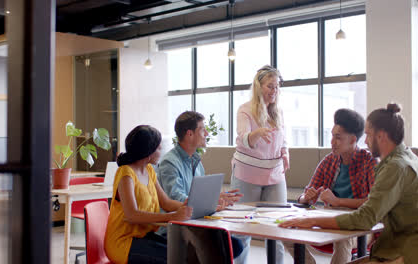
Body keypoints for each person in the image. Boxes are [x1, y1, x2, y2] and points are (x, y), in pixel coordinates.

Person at [280, 103, 418, 264]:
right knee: (289, 230)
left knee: (342, 239)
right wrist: (306, 199)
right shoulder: (406, 157)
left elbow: (366, 217)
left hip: (407, 251)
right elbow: (308, 192)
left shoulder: (393, 167)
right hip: (402, 245)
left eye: (368, 135)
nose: (365, 141)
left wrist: (315, 219)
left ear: (381, 136)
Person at [284, 108, 377, 264]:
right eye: (332, 136)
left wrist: (338, 201)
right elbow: (304, 196)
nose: (332, 142)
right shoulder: (329, 161)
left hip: (361, 224)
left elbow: (373, 202)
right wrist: (306, 198)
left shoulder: (369, 161)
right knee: (286, 228)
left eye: (338, 137)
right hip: (328, 220)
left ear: (353, 139)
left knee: (342, 239)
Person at [157, 111, 246, 262]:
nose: (207, 133)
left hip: (196, 222)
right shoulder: (169, 163)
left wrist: (215, 198)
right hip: (175, 228)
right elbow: (176, 199)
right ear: (190, 134)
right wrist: (211, 202)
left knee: (235, 244)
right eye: (202, 129)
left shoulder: (195, 160)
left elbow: (199, 194)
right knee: (226, 246)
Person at [104, 125, 193, 264]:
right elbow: (132, 215)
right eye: (158, 148)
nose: (161, 150)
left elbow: (166, 203)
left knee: (186, 254)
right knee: (177, 258)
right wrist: (172, 216)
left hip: (144, 236)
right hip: (123, 243)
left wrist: (191, 206)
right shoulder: (126, 173)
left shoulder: (149, 170)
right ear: (148, 151)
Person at [230, 65, 289, 263]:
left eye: (277, 87)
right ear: (258, 86)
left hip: (275, 174)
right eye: (270, 86)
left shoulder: (278, 111)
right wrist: (256, 134)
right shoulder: (245, 110)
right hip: (247, 174)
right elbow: (243, 138)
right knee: (242, 229)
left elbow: (283, 139)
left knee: (276, 229)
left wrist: (285, 153)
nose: (274, 91)